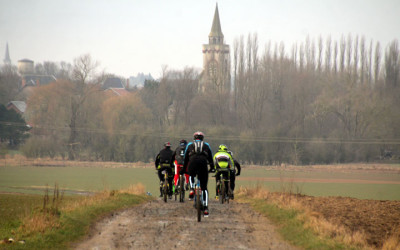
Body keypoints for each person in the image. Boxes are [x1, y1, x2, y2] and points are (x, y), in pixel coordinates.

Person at [182, 131, 214, 217]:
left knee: (191, 175)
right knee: (204, 188)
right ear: (202, 138)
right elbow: (210, 158)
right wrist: (212, 168)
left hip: (192, 163)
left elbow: (185, 159)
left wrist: (184, 169)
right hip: (203, 164)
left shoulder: (189, 145)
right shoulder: (207, 145)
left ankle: (192, 188)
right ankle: (206, 208)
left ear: (194, 138)